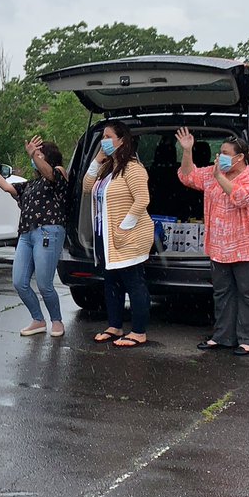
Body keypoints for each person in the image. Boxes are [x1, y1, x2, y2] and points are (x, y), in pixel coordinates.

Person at [176, 130, 249, 355]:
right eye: (220, 153)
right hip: (219, 248)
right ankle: (223, 336)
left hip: (247, 247)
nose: (220, 157)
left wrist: (220, 178)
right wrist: (187, 151)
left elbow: (240, 197)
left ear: (240, 158)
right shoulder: (212, 173)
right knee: (222, 293)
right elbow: (187, 176)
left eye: (226, 153)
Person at [0, 135, 69, 337]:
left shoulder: (58, 174)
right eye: (33, 155)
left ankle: (57, 321)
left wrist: (34, 155)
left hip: (48, 231)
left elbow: (51, 174)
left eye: (38, 155)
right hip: (26, 234)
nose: (34, 158)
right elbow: (7, 187)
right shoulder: (31, 184)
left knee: (45, 283)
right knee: (19, 282)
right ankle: (38, 320)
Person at [84, 121, 155, 348]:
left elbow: (142, 199)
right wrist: (97, 159)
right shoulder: (108, 168)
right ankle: (114, 326)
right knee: (111, 282)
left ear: (122, 140)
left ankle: (138, 332)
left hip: (129, 236)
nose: (103, 140)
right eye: (102, 137)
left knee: (134, 282)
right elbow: (87, 187)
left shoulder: (133, 168)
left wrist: (124, 227)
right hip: (107, 238)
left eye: (108, 136)